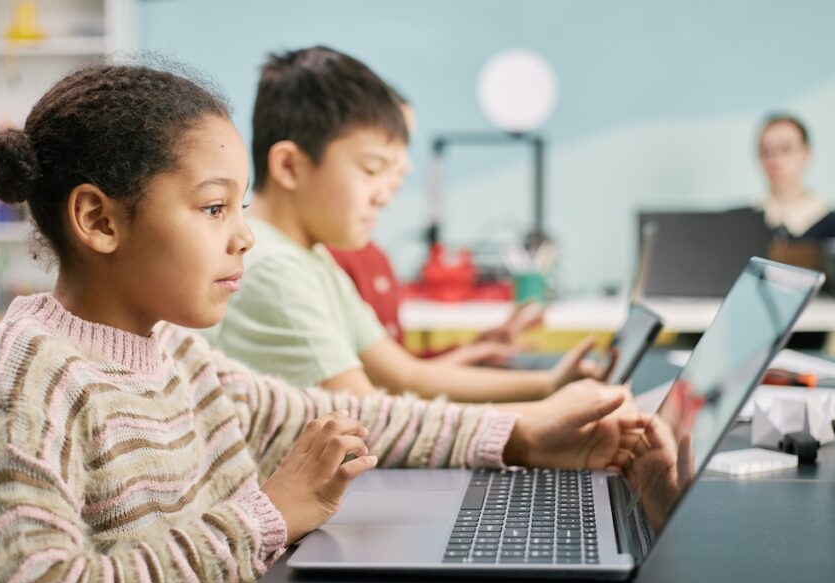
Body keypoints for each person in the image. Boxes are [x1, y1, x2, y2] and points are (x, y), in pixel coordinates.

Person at [0, 63, 661, 583]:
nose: (245, 234)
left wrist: (523, 436)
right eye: (213, 208)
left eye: (239, 206)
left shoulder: (174, 352)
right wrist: (265, 515)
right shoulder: (27, 379)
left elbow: (339, 419)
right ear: (100, 220)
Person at [203, 46, 602, 402]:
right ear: (290, 166)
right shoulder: (274, 267)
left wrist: (549, 386)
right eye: (372, 169)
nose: (384, 194)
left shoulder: (314, 258)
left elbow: (407, 375)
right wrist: (536, 429)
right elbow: (372, 417)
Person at [326, 99, 542, 367]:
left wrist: (474, 350)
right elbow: (393, 381)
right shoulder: (329, 259)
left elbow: (402, 368)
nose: (405, 165)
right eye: (392, 146)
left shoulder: (373, 255)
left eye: (406, 147)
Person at [757, 113, 835, 242]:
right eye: (766, 151)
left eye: (786, 149)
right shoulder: (741, 225)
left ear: (806, 153)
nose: (776, 160)